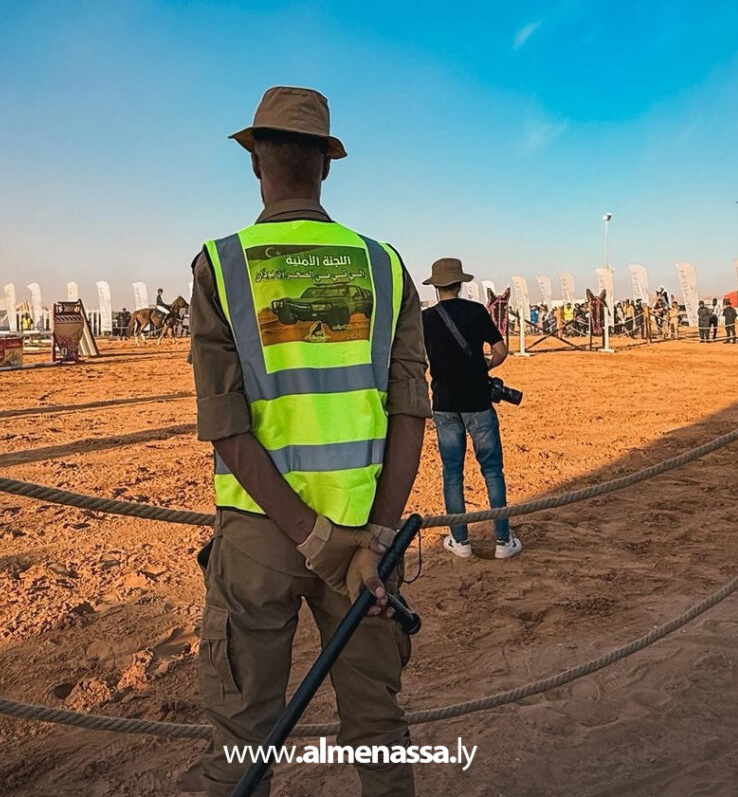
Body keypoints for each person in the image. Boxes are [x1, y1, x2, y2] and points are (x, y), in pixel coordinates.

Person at [189, 86, 430, 797]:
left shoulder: (222, 264)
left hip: (261, 532)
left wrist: (307, 534)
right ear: (326, 165)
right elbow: (411, 411)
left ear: (256, 162)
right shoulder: (383, 265)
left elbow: (223, 420)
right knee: (378, 727)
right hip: (367, 540)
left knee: (241, 738)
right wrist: (377, 536)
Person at [421, 257, 520, 561]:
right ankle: (503, 540)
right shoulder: (477, 312)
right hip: (478, 401)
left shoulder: (425, 320)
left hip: (445, 404)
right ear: (461, 284)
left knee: (452, 472)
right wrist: (486, 365)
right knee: (492, 470)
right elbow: (501, 350)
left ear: (437, 287)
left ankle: (459, 539)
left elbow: (418, 360)